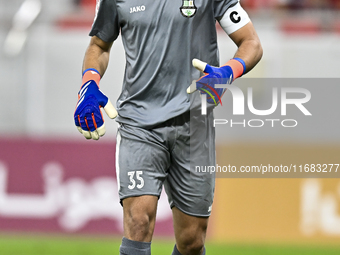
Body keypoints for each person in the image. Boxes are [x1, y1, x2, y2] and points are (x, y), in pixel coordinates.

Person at [74, 0, 262, 254]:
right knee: (138, 221)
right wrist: (89, 83)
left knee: (192, 241)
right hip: (139, 122)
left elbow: (251, 43)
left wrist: (227, 72)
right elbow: (99, 45)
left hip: (194, 123)